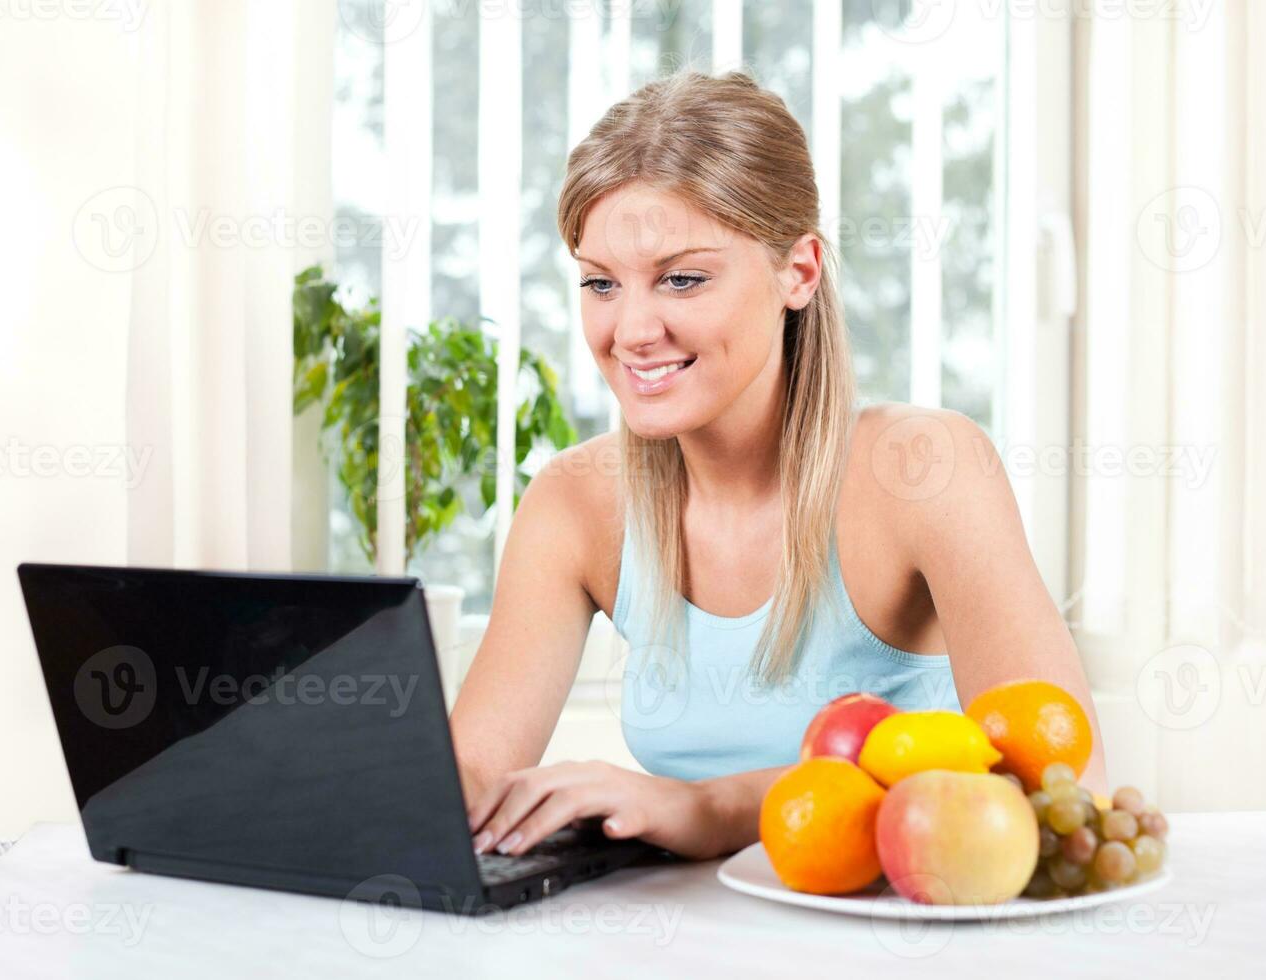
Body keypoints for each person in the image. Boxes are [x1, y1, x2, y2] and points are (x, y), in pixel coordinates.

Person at [450, 69, 1106, 863]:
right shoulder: (574, 505)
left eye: (681, 278)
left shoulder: (923, 469)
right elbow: (468, 781)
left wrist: (709, 808)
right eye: (599, 284)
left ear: (797, 271)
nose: (630, 330)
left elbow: (1066, 792)